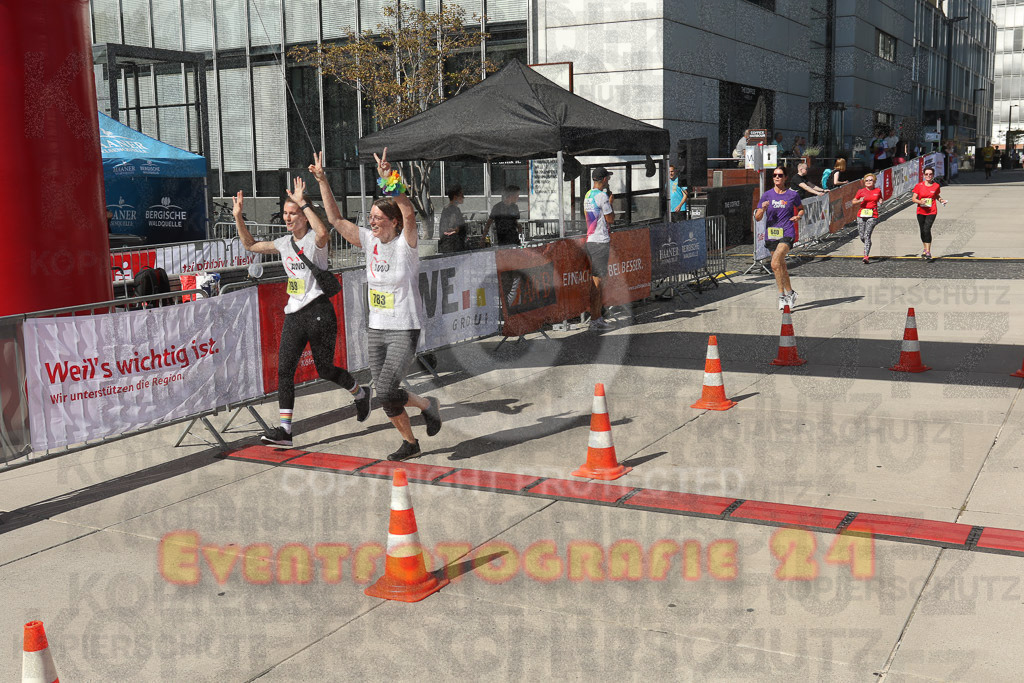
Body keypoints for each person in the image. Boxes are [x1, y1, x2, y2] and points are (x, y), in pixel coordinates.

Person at [307, 150, 442, 461]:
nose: (372, 222)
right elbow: (336, 220)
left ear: (393, 222)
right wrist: (322, 180)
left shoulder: (405, 245)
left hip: (404, 327)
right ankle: (412, 440)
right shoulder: (369, 241)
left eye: (378, 218)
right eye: (370, 218)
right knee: (388, 399)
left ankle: (425, 405)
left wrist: (388, 178)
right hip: (376, 328)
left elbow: (408, 212)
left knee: (384, 388)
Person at [232, 177, 370, 448]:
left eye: (292, 213)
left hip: (319, 311)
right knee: (284, 371)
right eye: (285, 213)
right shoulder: (284, 243)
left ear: (304, 217)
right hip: (294, 314)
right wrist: (238, 217)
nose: (287, 218)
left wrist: (304, 202)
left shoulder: (313, 240)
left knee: (325, 369)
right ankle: (285, 432)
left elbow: (324, 233)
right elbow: (249, 245)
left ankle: (359, 392)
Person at [754, 165, 804, 310]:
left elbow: (801, 209)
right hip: (772, 234)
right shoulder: (767, 195)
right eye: (775, 175)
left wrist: (798, 216)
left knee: (775, 263)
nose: (777, 177)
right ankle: (791, 293)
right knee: (780, 266)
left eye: (780, 175)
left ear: (785, 177)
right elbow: (757, 218)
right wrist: (762, 209)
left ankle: (781, 297)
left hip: (787, 232)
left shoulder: (792, 195)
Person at [585, 167, 615, 331]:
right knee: (597, 283)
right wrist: (610, 204)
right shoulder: (602, 196)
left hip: (591, 239)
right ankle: (595, 320)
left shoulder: (588, 195)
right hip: (600, 241)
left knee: (597, 282)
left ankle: (597, 318)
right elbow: (610, 219)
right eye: (607, 178)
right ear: (603, 179)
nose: (608, 181)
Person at [911, 167, 947, 261]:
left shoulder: (936, 186)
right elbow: (913, 198)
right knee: (922, 230)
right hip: (921, 211)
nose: (928, 176)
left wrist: (941, 200)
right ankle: (924, 249)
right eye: (926, 174)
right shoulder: (919, 186)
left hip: (932, 211)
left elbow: (936, 195)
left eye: (930, 174)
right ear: (923, 175)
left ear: (933, 175)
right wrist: (920, 202)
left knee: (927, 229)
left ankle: (928, 251)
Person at [851, 173, 882, 264]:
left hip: (873, 215)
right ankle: (868, 244)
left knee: (867, 235)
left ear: (874, 181)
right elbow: (853, 201)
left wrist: (881, 201)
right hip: (861, 214)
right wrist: (859, 201)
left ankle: (866, 256)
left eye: (870, 180)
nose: (868, 182)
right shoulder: (861, 191)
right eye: (866, 180)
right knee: (862, 236)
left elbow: (880, 198)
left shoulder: (878, 190)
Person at [437, 184, 467, 253]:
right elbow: (451, 227)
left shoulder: (449, 209)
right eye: (461, 195)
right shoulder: (453, 210)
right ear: (455, 197)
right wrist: (457, 230)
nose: (463, 197)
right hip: (453, 248)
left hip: (452, 246)